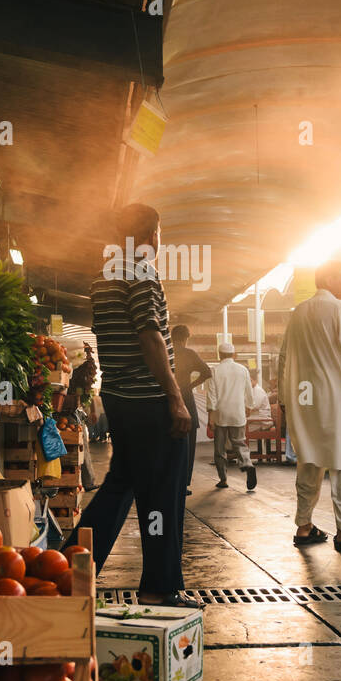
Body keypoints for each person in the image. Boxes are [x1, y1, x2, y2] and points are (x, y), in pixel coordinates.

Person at [64, 202, 198, 608]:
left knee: (120, 487)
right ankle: (159, 587)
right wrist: (175, 397)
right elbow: (150, 335)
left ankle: (68, 570)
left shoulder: (104, 274)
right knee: (164, 492)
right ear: (152, 234)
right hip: (149, 400)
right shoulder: (140, 270)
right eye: (160, 232)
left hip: (120, 400)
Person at [279, 260, 341, 553]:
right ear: (329, 279)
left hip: (305, 399)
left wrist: (284, 401)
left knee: (309, 461)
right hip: (338, 400)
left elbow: (283, 359)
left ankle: (303, 526)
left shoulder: (298, 313)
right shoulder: (338, 309)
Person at [206, 342, 256, 490]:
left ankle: (223, 479)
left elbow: (212, 395)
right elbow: (249, 391)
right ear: (234, 355)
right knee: (240, 443)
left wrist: (211, 415)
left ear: (219, 354)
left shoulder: (215, 371)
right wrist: (249, 406)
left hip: (221, 414)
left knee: (220, 448)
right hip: (238, 412)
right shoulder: (243, 370)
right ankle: (247, 464)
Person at [171, 325, 211, 495]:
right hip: (186, 399)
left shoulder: (166, 352)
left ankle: (169, 481)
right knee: (188, 445)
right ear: (186, 337)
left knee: (169, 444)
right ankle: (183, 484)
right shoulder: (189, 354)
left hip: (167, 401)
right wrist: (190, 386)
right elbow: (207, 372)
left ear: (172, 337)